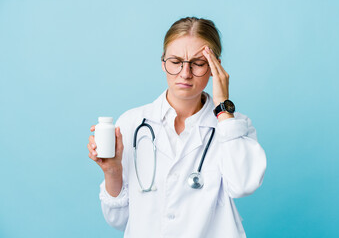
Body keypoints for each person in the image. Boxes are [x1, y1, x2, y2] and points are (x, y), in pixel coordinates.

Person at [87, 16, 266, 238]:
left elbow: (243, 185)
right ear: (162, 63)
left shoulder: (234, 126)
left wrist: (223, 109)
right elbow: (118, 220)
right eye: (175, 61)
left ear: (214, 67)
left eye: (198, 63)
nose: (185, 73)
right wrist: (112, 171)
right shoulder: (132, 124)